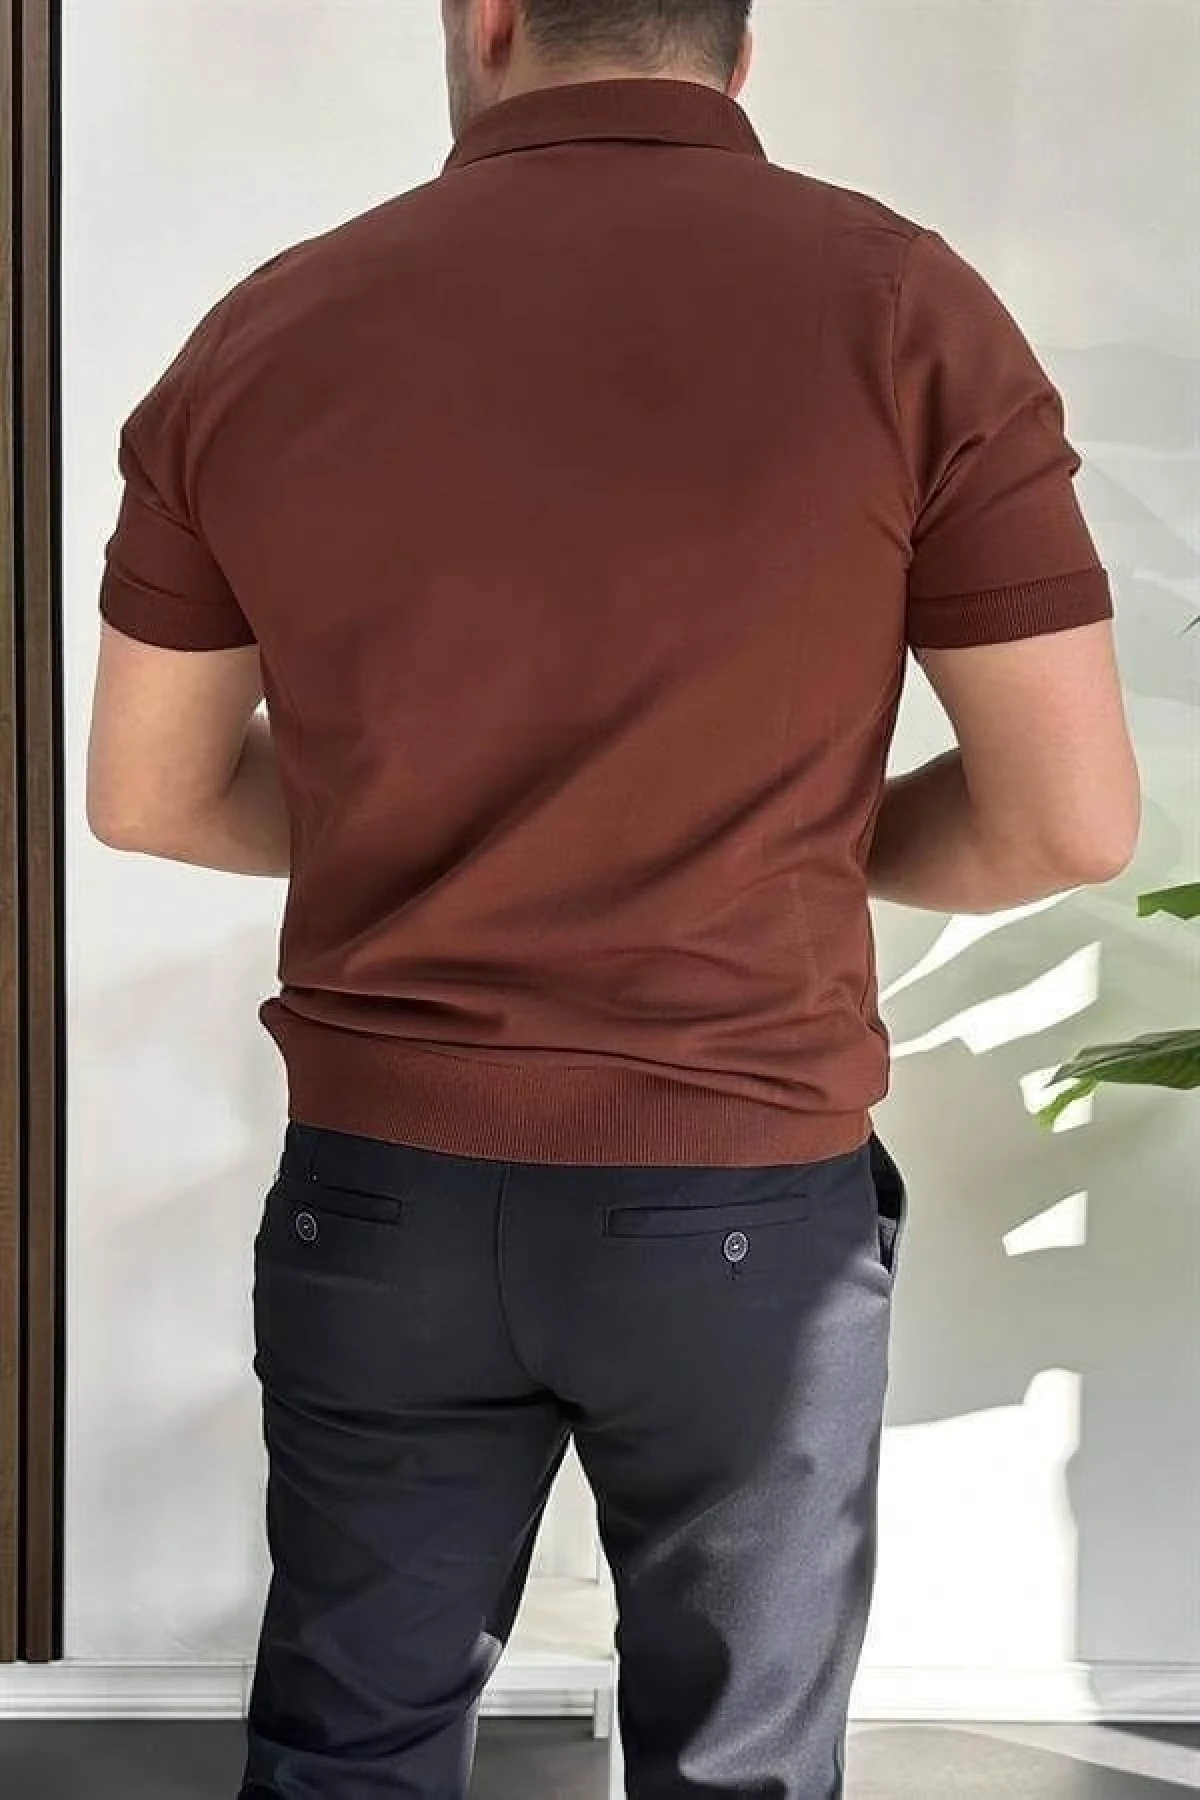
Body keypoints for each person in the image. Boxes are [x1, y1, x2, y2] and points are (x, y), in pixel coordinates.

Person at [86, 2, 1141, 1795]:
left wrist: (437, 831)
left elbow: (151, 795)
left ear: (486, 19)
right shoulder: (905, 309)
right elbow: (1069, 822)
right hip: (737, 1191)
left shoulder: (272, 322)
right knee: (740, 1766)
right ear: (739, 44)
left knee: (348, 1747)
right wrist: (788, 839)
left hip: (386, 1190)